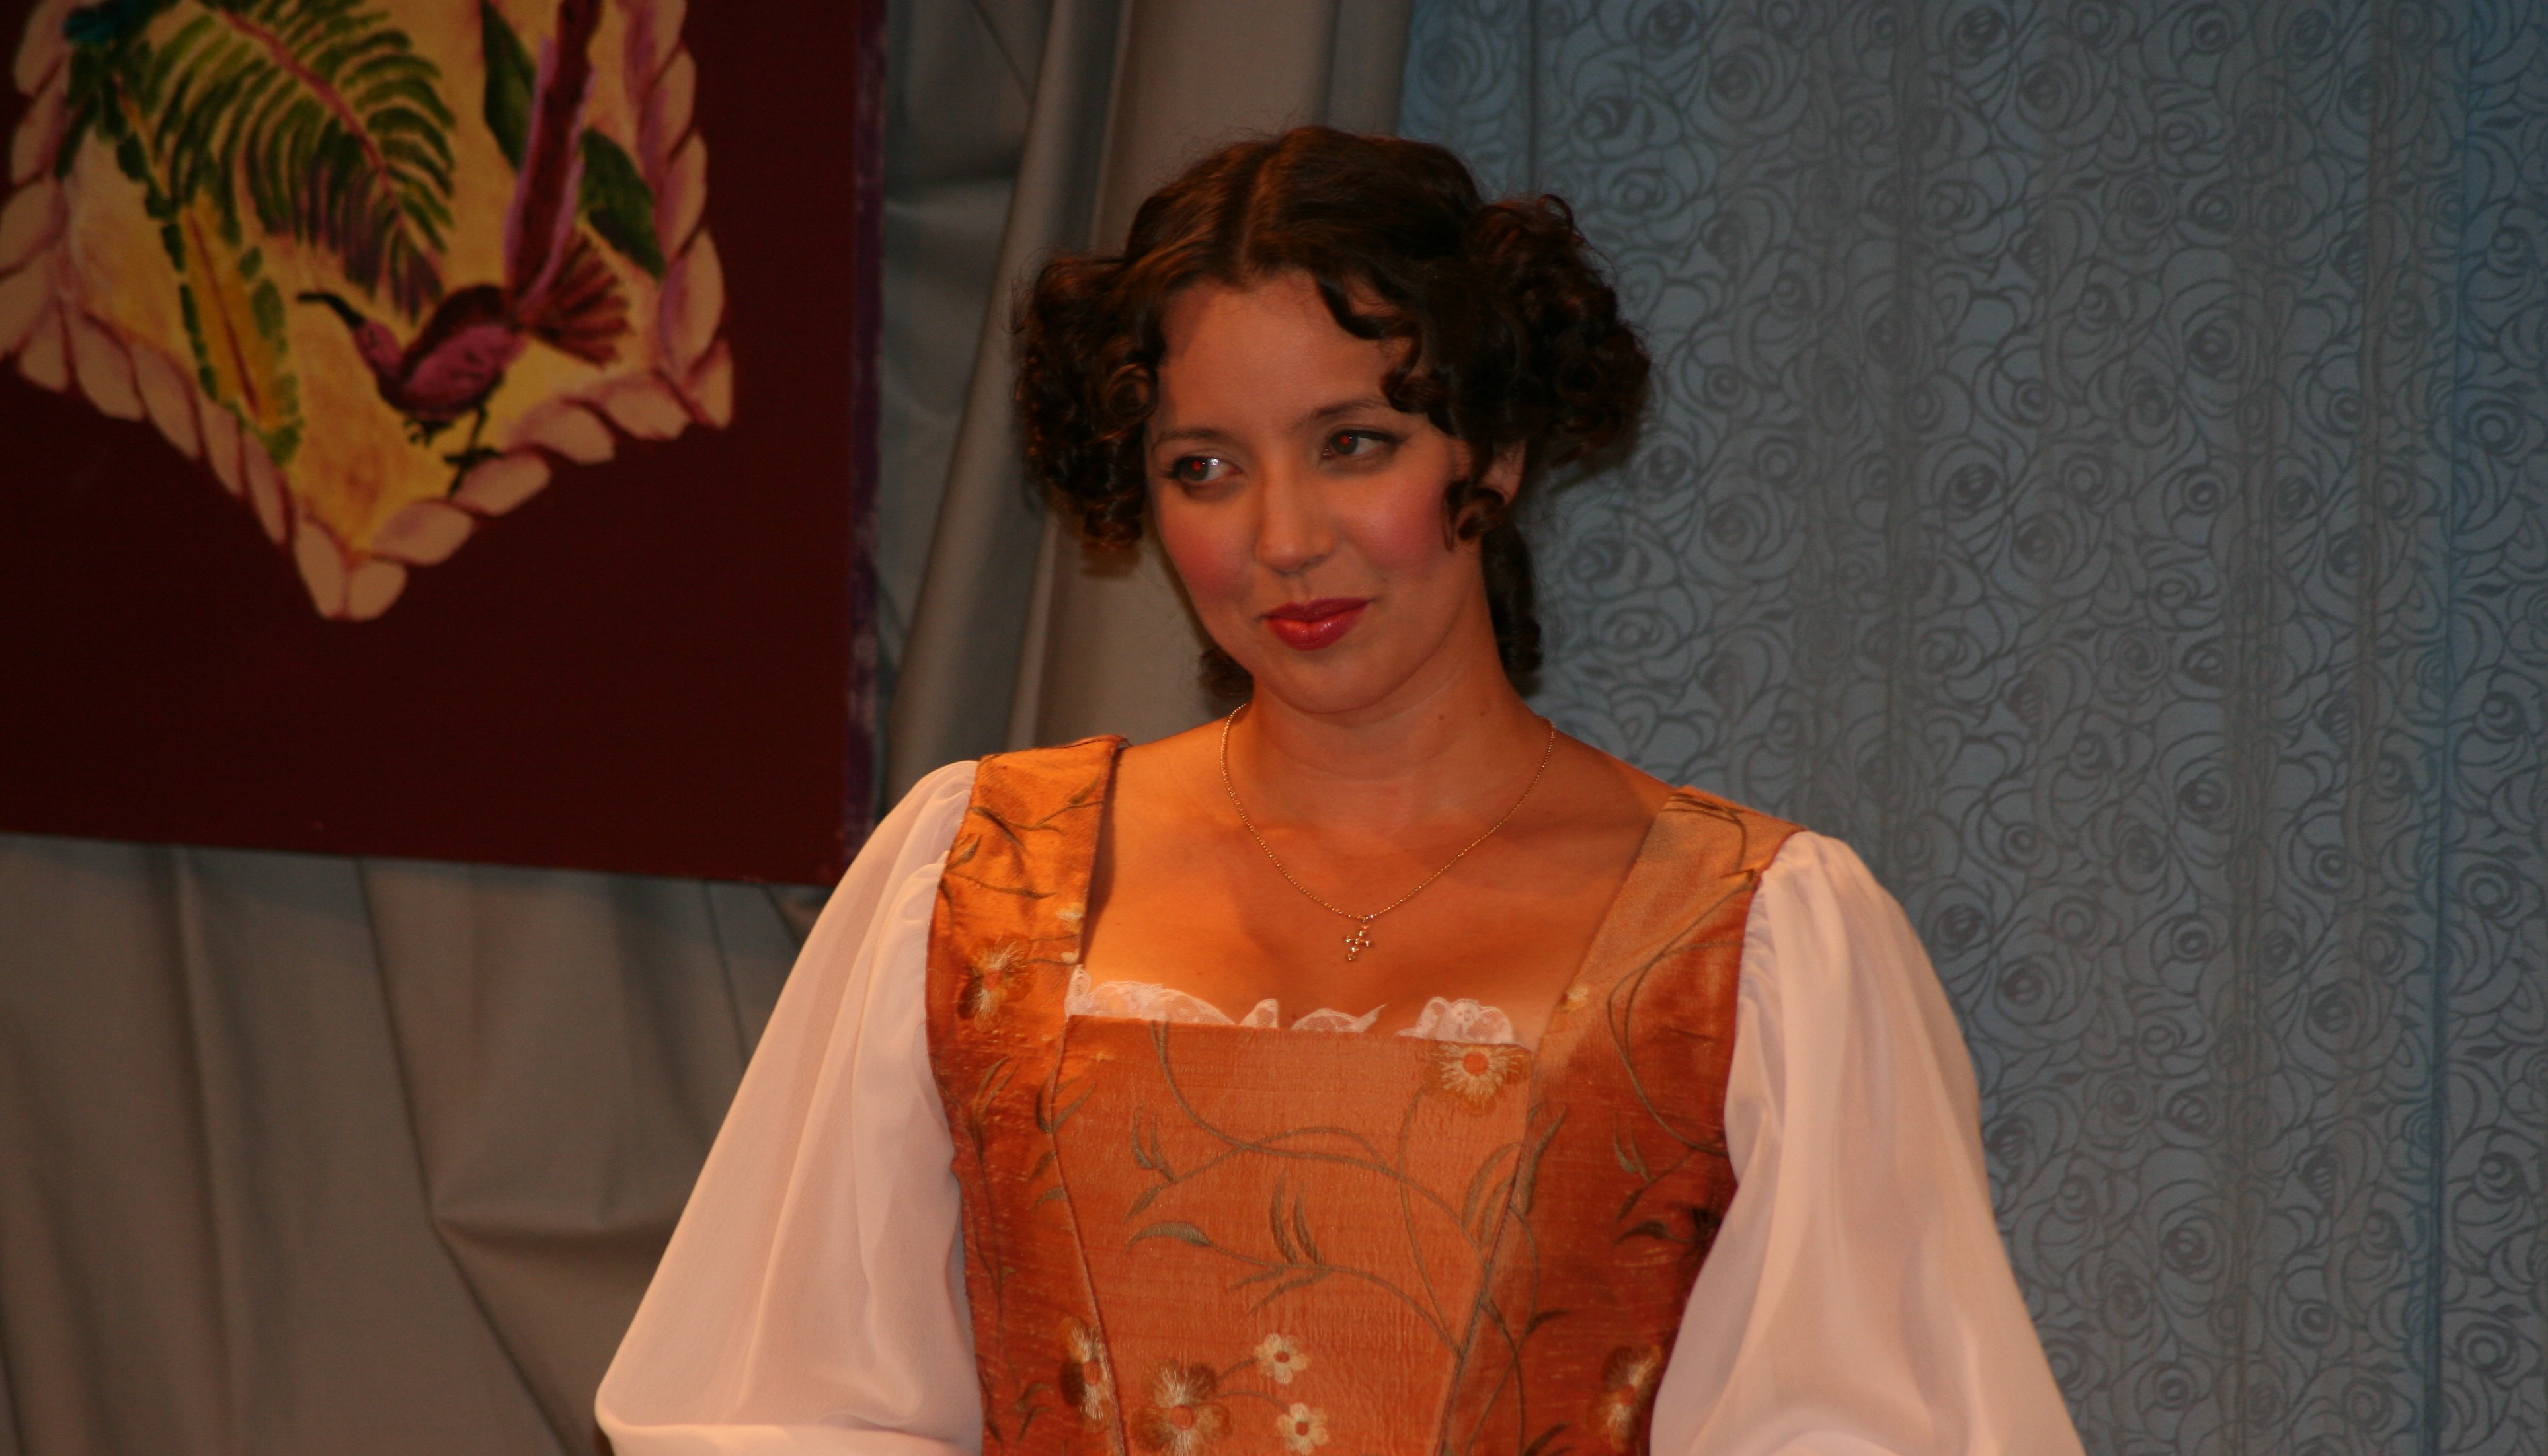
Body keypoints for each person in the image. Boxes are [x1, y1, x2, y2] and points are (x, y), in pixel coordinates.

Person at [597, 128, 2085, 1456]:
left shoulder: (1753, 937)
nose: (1283, 538)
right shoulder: (976, 875)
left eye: (1352, 445)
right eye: (1204, 467)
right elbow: (784, 1408)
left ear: (1495, 448)